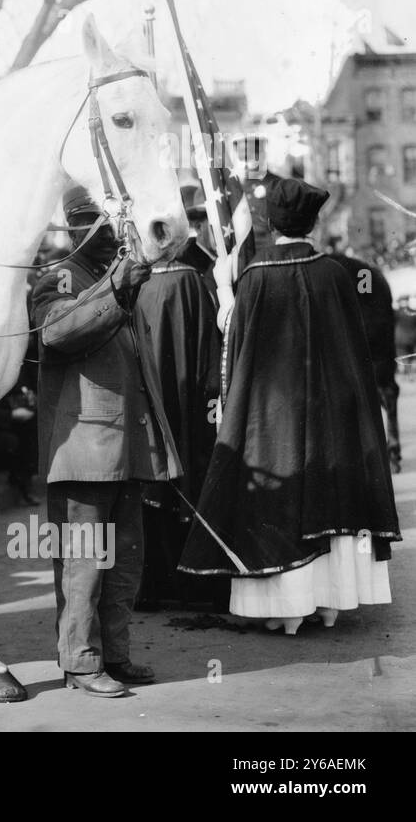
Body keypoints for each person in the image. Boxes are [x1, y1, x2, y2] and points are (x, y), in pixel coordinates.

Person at [178, 178, 401, 633]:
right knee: (329, 495)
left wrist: (224, 290)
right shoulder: (335, 274)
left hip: (271, 418)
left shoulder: (256, 275)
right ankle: (331, 603)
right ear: (314, 222)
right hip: (330, 419)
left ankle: (286, 608)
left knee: (279, 501)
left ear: (271, 223)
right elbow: (353, 355)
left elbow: (234, 338)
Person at [29, 185, 181, 697]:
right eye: (99, 223)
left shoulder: (111, 279)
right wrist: (115, 288)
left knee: (124, 565)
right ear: (76, 227)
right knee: (84, 565)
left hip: (123, 450)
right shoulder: (61, 277)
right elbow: (57, 332)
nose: (114, 232)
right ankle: (78, 661)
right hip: (82, 452)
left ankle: (113, 655)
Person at [132, 184, 226, 611]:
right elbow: (210, 349)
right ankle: (193, 585)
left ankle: (153, 584)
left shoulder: (136, 286)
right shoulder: (193, 283)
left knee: (153, 489)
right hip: (190, 405)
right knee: (190, 480)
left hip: (151, 405)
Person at [326, 240, 400, 473]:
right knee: (382, 384)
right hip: (374, 332)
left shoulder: (333, 269)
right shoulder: (367, 273)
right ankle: (391, 442)